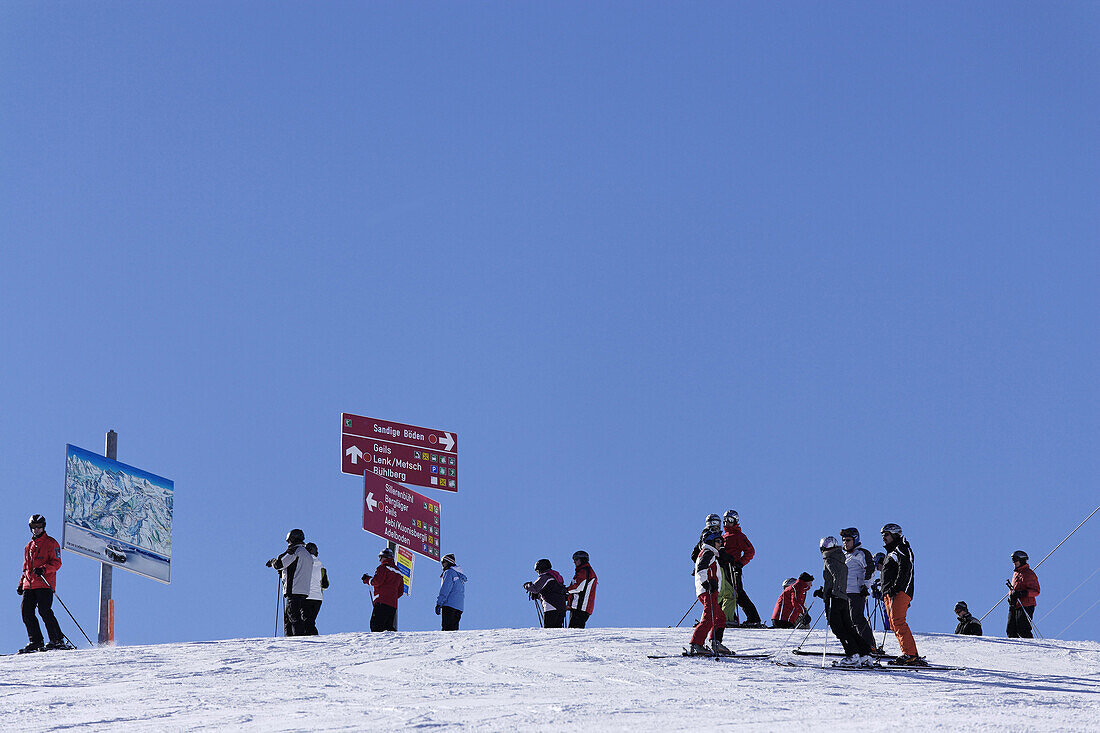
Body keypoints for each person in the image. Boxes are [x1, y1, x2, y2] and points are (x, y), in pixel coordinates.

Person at [814, 536, 874, 666]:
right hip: (844, 598)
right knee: (848, 627)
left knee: (838, 628)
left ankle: (852, 655)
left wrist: (831, 593)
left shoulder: (829, 558)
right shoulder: (841, 557)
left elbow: (836, 576)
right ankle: (864, 654)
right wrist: (825, 592)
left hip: (835, 598)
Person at [17, 514, 68, 653]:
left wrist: (44, 569)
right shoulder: (28, 546)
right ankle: (35, 640)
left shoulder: (51, 543)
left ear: (43, 527)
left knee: (44, 610)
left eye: (39, 527)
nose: (36, 530)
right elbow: (25, 567)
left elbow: (57, 563)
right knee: (26, 611)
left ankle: (57, 639)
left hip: (44, 583)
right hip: (29, 584)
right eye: (34, 527)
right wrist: (21, 583)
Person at [880, 523, 924, 665]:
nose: (884, 538)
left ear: (894, 535)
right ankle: (909, 653)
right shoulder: (892, 551)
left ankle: (910, 654)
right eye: (882, 535)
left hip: (898, 592)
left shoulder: (902, 549)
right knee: (894, 624)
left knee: (898, 621)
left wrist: (897, 588)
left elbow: (906, 570)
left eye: (886, 535)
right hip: (890, 592)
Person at [718, 510, 763, 628]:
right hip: (723, 569)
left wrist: (740, 563)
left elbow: (750, 551)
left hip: (733, 568)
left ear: (736, 521)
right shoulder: (723, 536)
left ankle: (753, 618)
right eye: (725, 520)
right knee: (725, 593)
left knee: (737, 593)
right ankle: (729, 617)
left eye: (730, 520)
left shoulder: (738, 536)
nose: (727, 523)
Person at [688, 526, 728, 655]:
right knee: (709, 617)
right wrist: (707, 584)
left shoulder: (711, 553)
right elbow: (701, 568)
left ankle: (715, 642)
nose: (720, 544)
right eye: (718, 541)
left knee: (720, 617)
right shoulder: (707, 552)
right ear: (710, 541)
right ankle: (696, 644)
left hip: (710, 590)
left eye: (721, 541)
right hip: (708, 591)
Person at [267, 528, 315, 637]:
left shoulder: (295, 551)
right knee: (293, 616)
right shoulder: (307, 553)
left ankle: (295, 639)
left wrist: (273, 562)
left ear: (292, 539)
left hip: (293, 588)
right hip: (304, 589)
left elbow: (280, 563)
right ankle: (294, 638)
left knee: (292, 617)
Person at [840, 527, 878, 652]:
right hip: (844, 592)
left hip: (857, 591)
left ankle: (870, 645)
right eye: (844, 540)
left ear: (855, 540)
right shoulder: (843, 556)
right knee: (847, 621)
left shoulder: (861, 553)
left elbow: (871, 569)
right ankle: (857, 646)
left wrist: (865, 586)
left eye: (848, 540)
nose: (845, 542)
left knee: (857, 618)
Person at [362, 547, 403, 632]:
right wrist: (392, 596)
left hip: (381, 601)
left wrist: (368, 580)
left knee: (376, 625)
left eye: (380, 557)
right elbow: (400, 591)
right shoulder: (399, 572)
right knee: (388, 627)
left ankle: (378, 644)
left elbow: (377, 581)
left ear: (384, 557)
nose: (380, 560)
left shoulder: (382, 568)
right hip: (393, 604)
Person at [1006, 550, 1040, 638]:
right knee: (1010, 630)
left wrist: (1022, 593)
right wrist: (1011, 597)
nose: (1014, 562)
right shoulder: (1016, 574)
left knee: (1022, 629)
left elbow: (1036, 591)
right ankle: (1015, 648)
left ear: (1022, 560)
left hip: (1026, 604)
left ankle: (1031, 647)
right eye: (1013, 560)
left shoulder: (1028, 573)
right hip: (1015, 604)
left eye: (1015, 560)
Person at [525, 559, 568, 628]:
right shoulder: (556, 577)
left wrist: (527, 585)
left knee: (549, 630)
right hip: (561, 607)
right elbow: (552, 590)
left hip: (551, 607)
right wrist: (539, 595)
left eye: (538, 571)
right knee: (558, 630)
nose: (538, 573)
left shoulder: (545, 577)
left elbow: (535, 588)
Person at [566, 550, 597, 628]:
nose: (574, 562)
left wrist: (565, 590)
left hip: (580, 607)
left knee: (574, 632)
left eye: (576, 559)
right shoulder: (582, 571)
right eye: (574, 560)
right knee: (574, 631)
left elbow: (578, 587)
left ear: (583, 560)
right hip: (579, 607)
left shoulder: (585, 571)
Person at [436, 553, 467, 631]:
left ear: (448, 562)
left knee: (447, 630)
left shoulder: (449, 572)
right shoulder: (460, 576)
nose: (442, 564)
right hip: (459, 607)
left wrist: (439, 603)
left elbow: (445, 589)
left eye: (443, 562)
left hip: (449, 605)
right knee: (454, 632)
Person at [303, 542, 329, 635]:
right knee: (310, 621)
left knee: (306, 622)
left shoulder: (304, 563)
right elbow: (325, 585)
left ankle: (313, 641)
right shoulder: (321, 566)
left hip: (306, 596)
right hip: (318, 598)